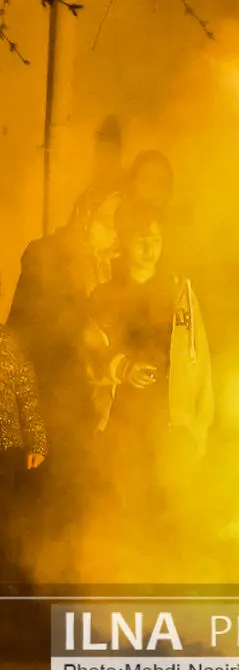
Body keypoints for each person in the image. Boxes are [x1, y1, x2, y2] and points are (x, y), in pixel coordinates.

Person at [87, 199, 213, 529]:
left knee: (171, 516)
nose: (149, 248)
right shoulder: (104, 296)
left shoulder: (179, 291)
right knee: (124, 516)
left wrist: (199, 428)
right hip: (122, 424)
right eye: (140, 238)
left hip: (171, 422)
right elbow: (86, 353)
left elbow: (200, 361)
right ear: (124, 241)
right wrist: (124, 369)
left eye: (155, 238)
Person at [7, 189, 121, 536]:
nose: (116, 235)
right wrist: (117, 363)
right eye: (110, 224)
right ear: (86, 218)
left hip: (71, 418)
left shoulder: (99, 267)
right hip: (45, 414)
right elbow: (67, 331)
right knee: (41, 522)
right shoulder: (47, 256)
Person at [0, 323, 47, 586]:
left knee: (4, 522)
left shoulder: (7, 340)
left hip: (5, 449)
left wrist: (37, 441)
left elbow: (27, 393)